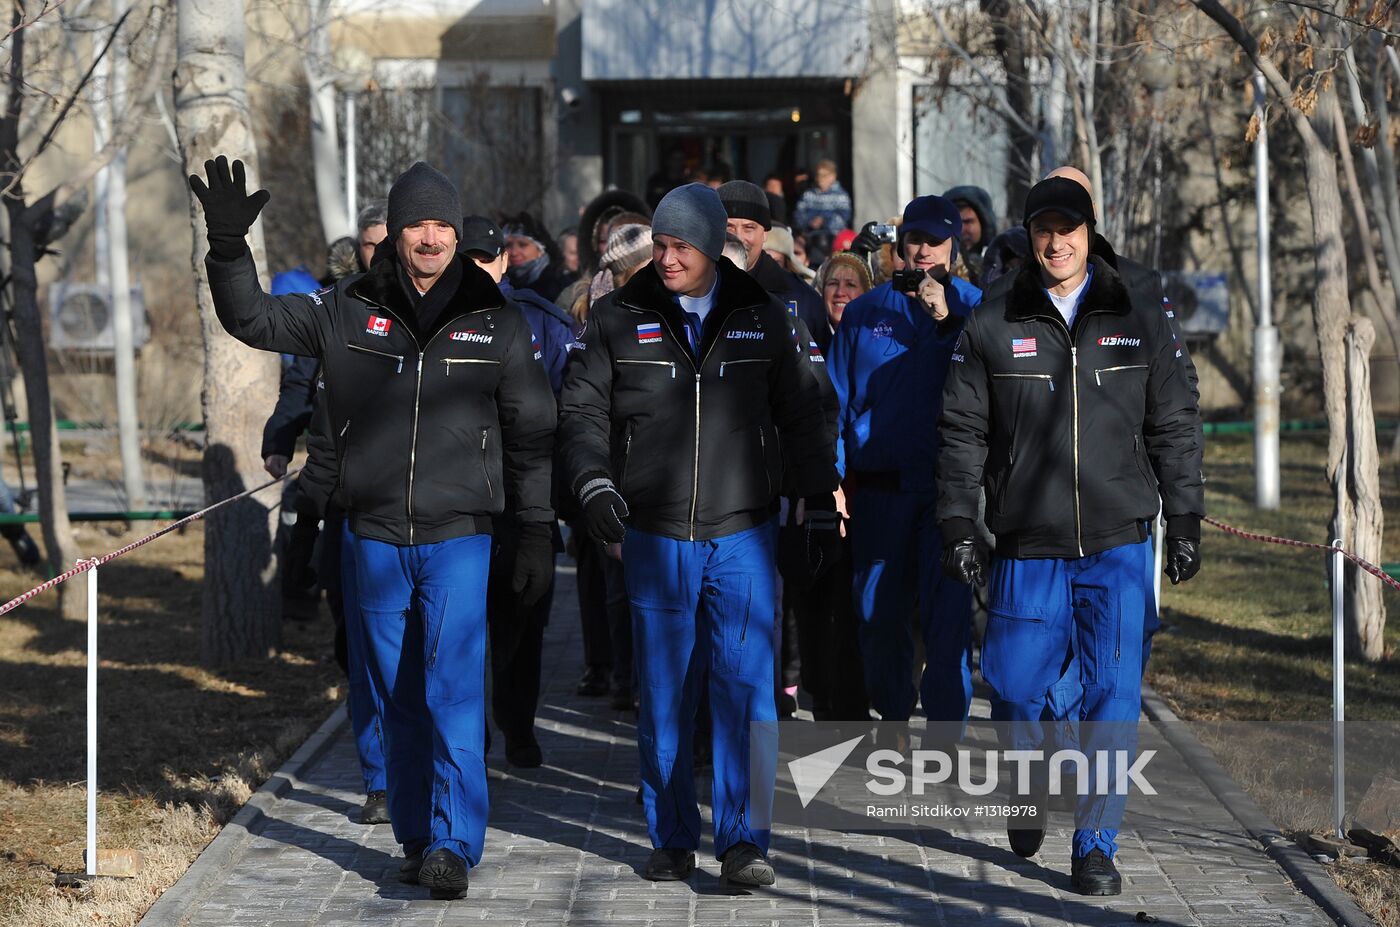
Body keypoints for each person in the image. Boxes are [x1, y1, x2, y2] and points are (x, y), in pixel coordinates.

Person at [190, 157, 557, 900]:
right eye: (417, 223)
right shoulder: (344, 309)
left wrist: (538, 529)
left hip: (459, 534)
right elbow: (252, 317)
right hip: (375, 534)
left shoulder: (497, 319)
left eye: (442, 225)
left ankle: (455, 842)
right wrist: (228, 250)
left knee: (453, 688)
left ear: (457, 233)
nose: (430, 238)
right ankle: (418, 835)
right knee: (394, 692)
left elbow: (530, 432)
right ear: (396, 231)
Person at [557, 183, 837, 886]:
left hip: (742, 532)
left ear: (713, 246)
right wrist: (593, 481)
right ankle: (673, 833)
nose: (668, 256)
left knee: (746, 689)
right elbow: (583, 411)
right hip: (655, 535)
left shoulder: (762, 317)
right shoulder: (620, 317)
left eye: (682, 244)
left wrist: (817, 499)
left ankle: (743, 840)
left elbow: (804, 414)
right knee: (666, 689)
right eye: (662, 242)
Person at [938, 176, 1204, 896]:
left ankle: (1095, 846)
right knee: (1018, 685)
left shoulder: (1138, 306)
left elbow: (1174, 414)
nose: (1057, 243)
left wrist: (1183, 514)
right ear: (1029, 236)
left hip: (1118, 540)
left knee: (1113, 694)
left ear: (1091, 230)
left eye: (1070, 228)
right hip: (1029, 539)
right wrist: (960, 518)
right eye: (1044, 230)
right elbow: (963, 429)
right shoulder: (996, 317)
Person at [827, 195, 980, 735]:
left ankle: (947, 728)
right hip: (879, 492)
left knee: (947, 619)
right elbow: (838, 402)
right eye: (912, 240)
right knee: (878, 613)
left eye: (933, 243)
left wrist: (945, 318)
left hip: (946, 494)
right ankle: (892, 714)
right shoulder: (866, 312)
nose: (920, 252)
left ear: (951, 249)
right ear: (898, 246)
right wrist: (835, 478)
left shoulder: (973, 309)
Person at [460, 215, 572, 767]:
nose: (480, 268)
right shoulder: (439, 320)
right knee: (461, 627)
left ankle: (519, 726)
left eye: (489, 258)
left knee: (523, 623)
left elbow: (568, 414)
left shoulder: (542, 322)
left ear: (505, 261)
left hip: (527, 499)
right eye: (470, 259)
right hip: (461, 501)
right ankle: (471, 735)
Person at [717, 181, 826, 344]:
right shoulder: (688, 292)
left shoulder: (802, 299)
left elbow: (817, 366)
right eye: (729, 227)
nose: (738, 238)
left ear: (765, 234)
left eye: (748, 228)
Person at [501, 211, 575, 303]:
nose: (514, 252)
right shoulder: (500, 283)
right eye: (508, 245)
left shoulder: (560, 287)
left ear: (541, 249)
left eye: (523, 245)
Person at [793, 159, 853, 264]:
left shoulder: (841, 195)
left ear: (833, 176)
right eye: (818, 175)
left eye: (824, 175)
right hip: (810, 240)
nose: (819, 179)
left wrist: (824, 221)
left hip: (833, 241)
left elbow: (844, 219)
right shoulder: (808, 194)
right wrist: (810, 222)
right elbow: (798, 215)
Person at [943, 184, 998, 284]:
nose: (962, 229)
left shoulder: (998, 266)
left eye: (968, 222)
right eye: (956, 222)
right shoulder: (938, 269)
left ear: (983, 224)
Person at [645, 144, 689, 210]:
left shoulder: (687, 183)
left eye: (680, 159)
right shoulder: (656, 181)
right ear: (668, 160)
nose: (677, 162)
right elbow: (649, 204)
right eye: (674, 158)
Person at [356, 199, 389, 272]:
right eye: (370, 245)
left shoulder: (416, 282)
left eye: (386, 244)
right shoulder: (341, 283)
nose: (378, 252)